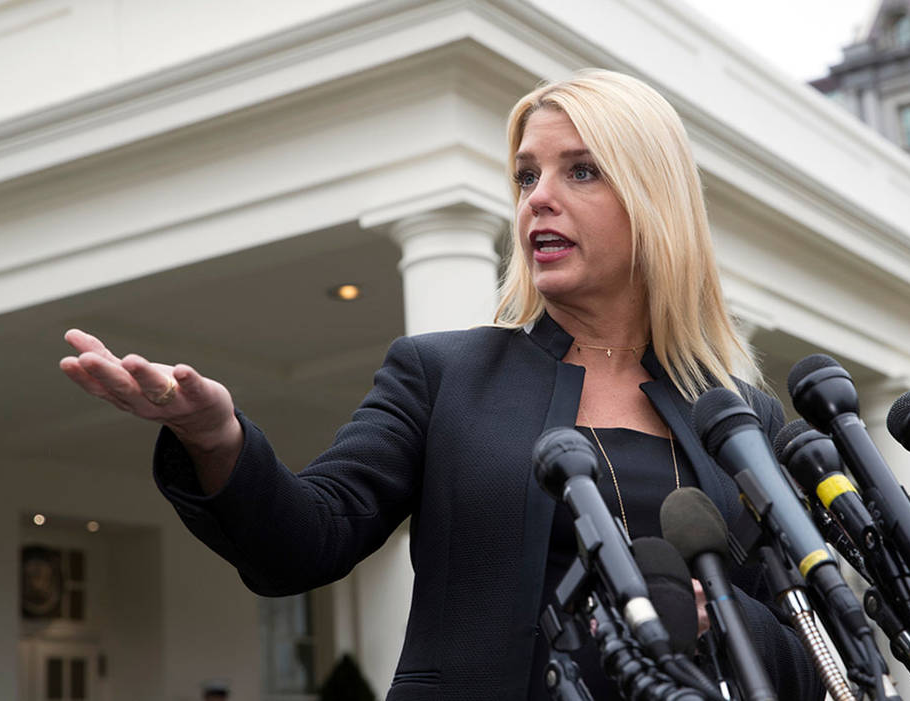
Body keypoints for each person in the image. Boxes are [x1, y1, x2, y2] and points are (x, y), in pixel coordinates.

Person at [60, 69, 822, 700]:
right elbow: (305, 538)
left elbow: (810, 652)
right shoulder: (443, 375)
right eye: (527, 174)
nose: (537, 197)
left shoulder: (738, 419)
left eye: (579, 170)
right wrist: (214, 434)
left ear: (655, 201)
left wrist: (723, 615)